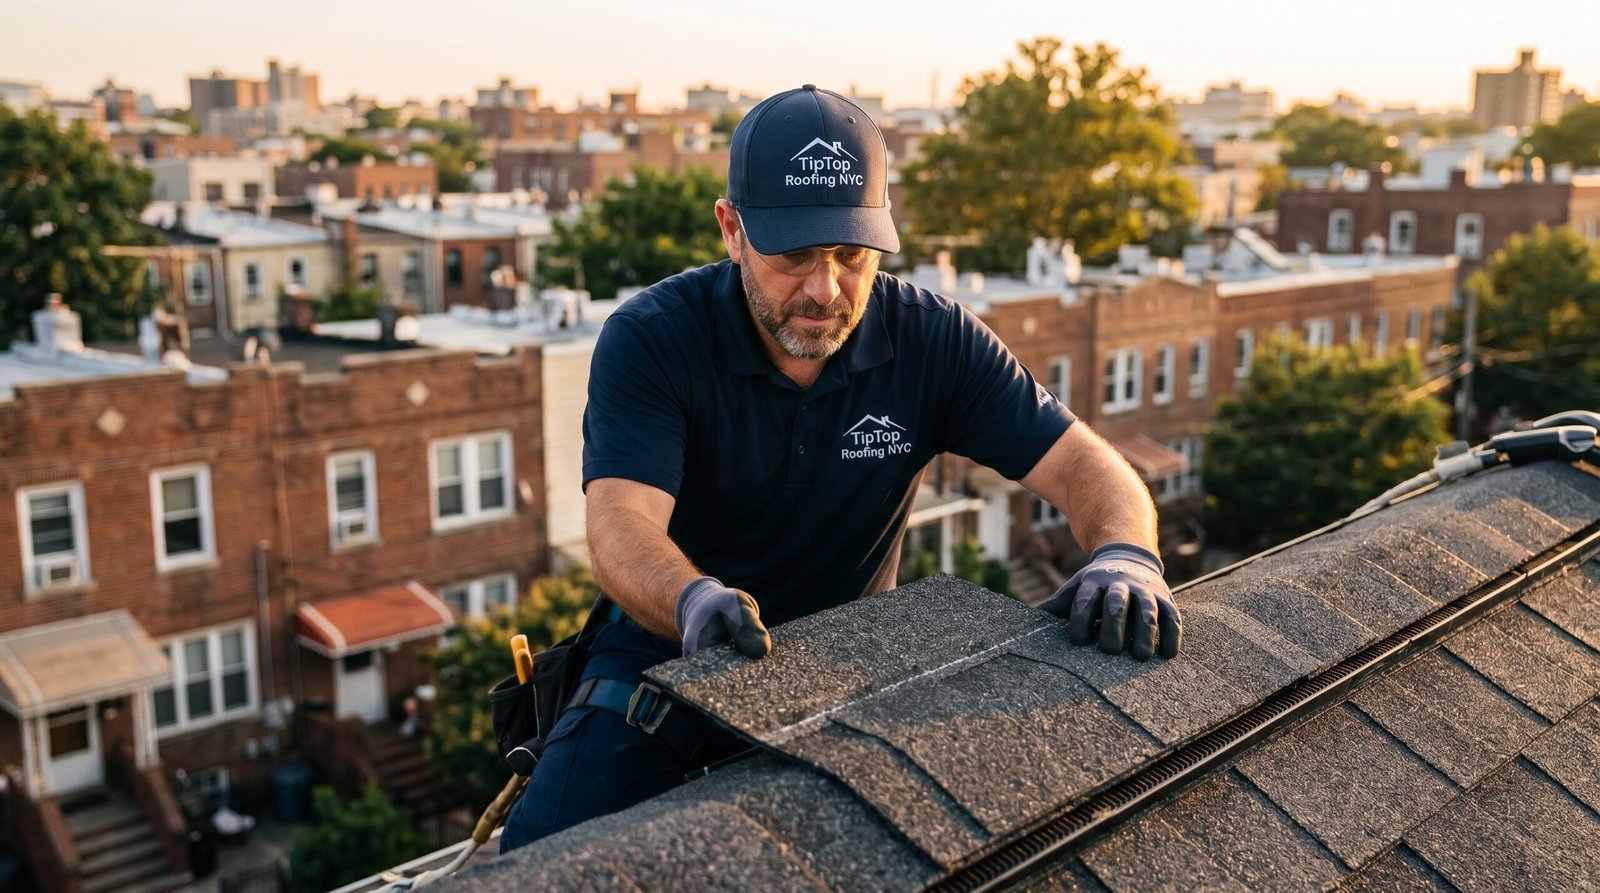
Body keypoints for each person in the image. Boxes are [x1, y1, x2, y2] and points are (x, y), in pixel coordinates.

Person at [500, 84, 1181, 850]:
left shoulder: (933, 340)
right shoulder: (655, 341)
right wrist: (690, 600)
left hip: (845, 674)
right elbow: (619, 522)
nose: (824, 290)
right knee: (545, 861)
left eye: (851, 256)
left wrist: (1126, 553)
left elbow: (1086, 464)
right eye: (793, 256)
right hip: (664, 669)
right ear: (732, 229)